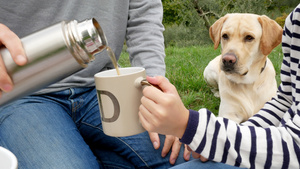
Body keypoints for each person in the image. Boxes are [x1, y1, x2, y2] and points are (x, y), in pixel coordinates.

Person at [0, 1, 192, 168]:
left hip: (105, 87)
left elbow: (144, 11)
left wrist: (154, 89)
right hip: (22, 93)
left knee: (189, 158)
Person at [139, 4, 300, 169]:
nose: (229, 55)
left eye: (249, 38)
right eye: (226, 36)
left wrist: (192, 127)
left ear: (265, 41)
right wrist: (214, 139)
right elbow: (285, 101)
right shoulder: (295, 20)